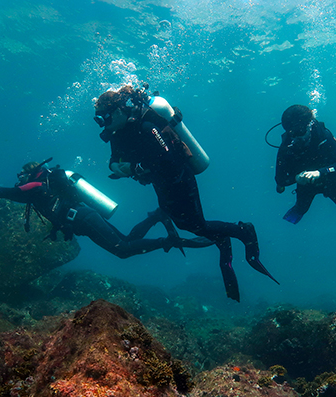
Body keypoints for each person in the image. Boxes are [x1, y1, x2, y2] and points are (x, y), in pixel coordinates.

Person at [94, 85, 278, 302]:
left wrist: (136, 168)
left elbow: (167, 157)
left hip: (179, 179)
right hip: (162, 183)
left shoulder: (146, 125)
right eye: (100, 120)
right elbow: (114, 159)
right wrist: (118, 167)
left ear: (116, 112)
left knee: (196, 224)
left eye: (104, 118)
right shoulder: (119, 131)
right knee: (185, 224)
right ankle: (223, 240)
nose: (103, 124)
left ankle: (243, 231)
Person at [0, 159, 213, 260]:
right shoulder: (45, 186)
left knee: (122, 251)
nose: (19, 178)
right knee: (127, 241)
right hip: (84, 217)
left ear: (30, 173)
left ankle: (169, 240)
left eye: (21, 174)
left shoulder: (35, 185)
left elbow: (13, 193)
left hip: (84, 218)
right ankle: (157, 217)